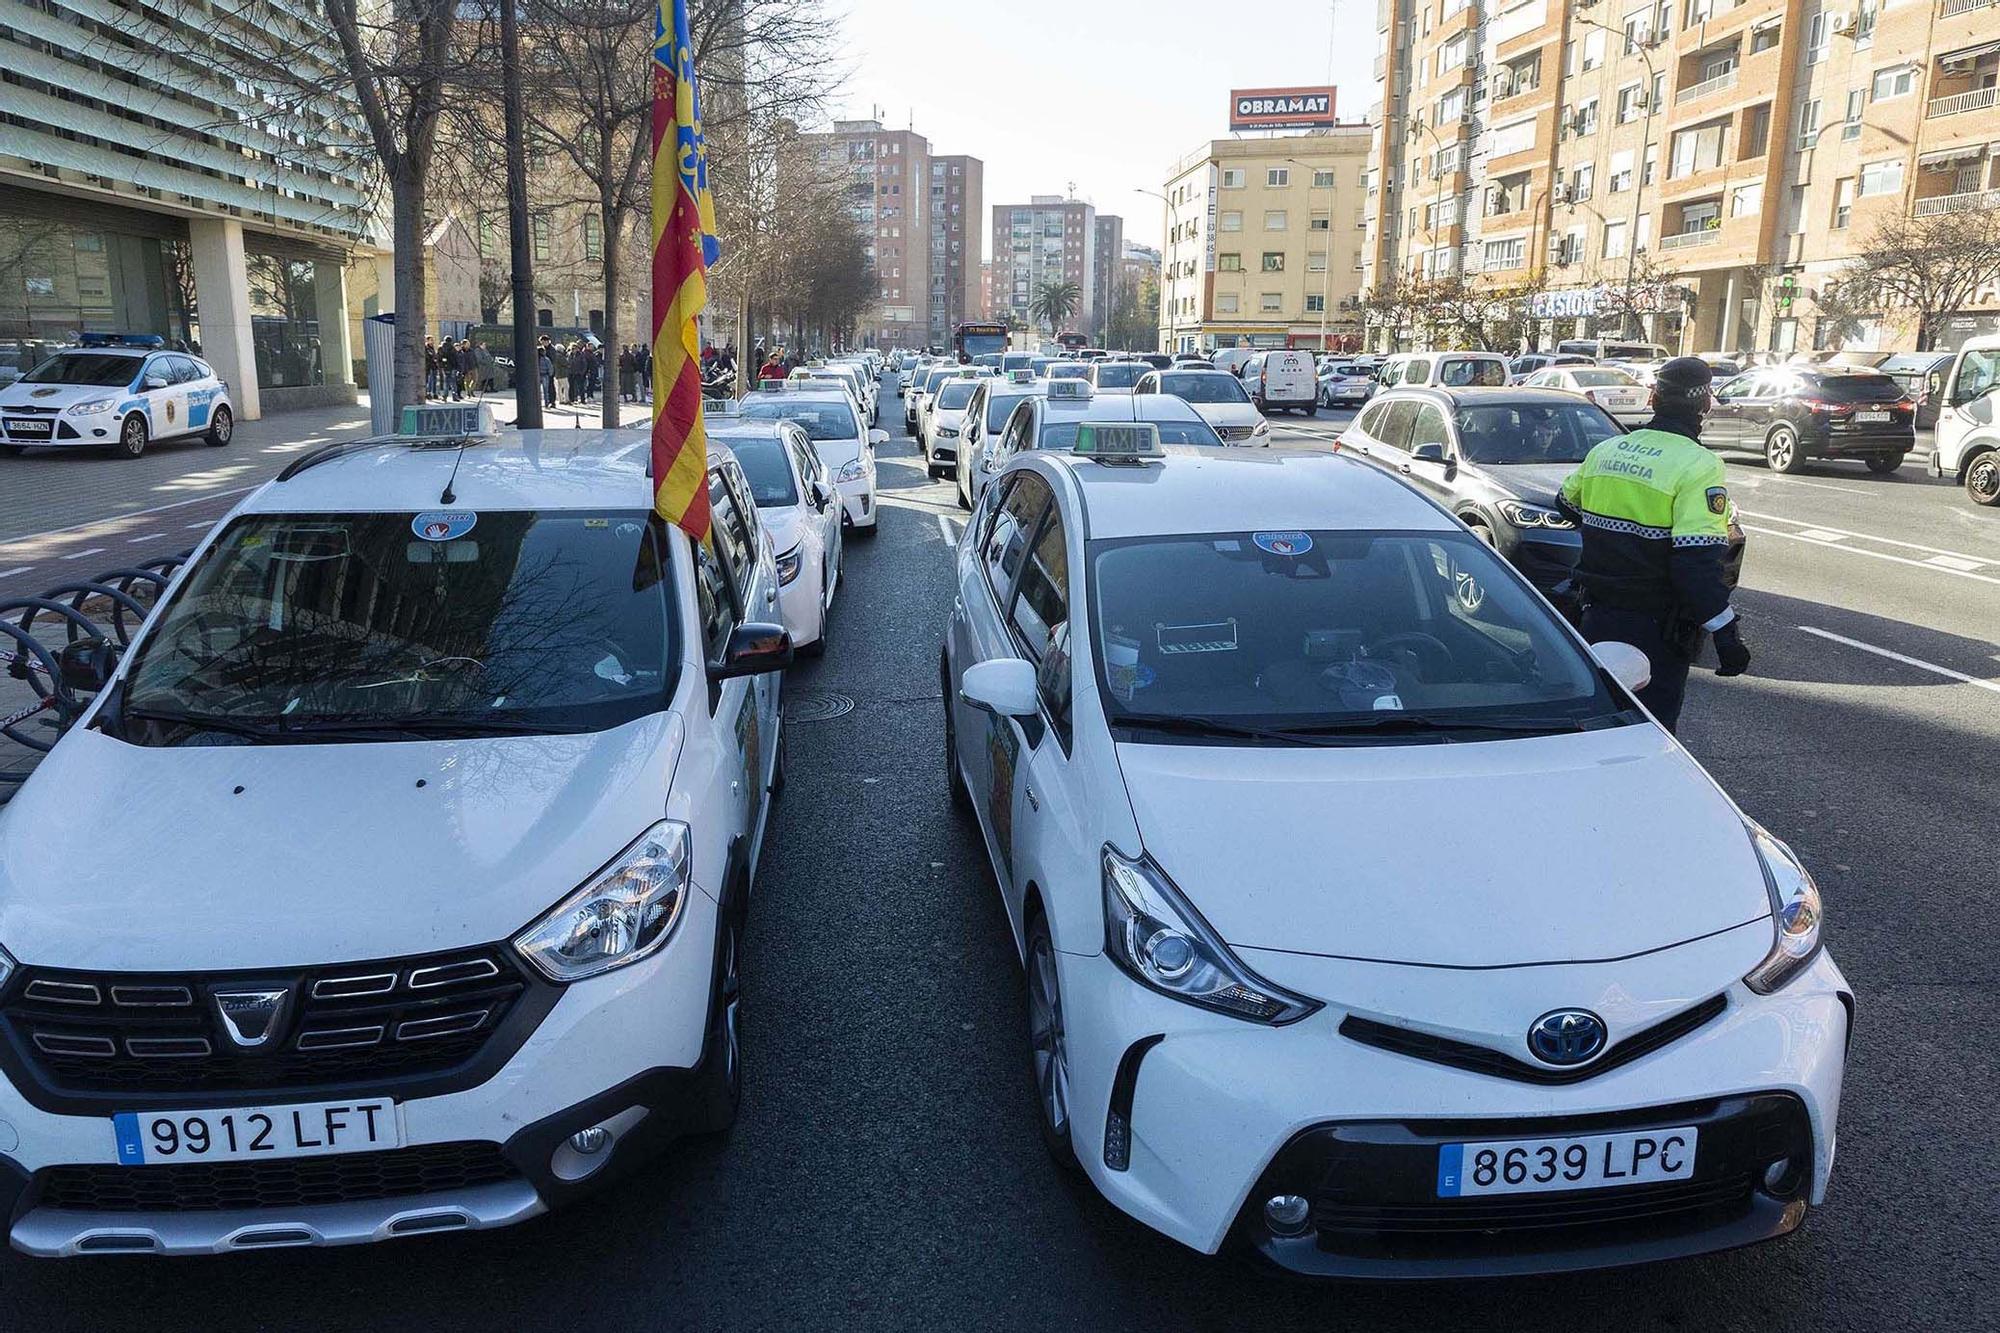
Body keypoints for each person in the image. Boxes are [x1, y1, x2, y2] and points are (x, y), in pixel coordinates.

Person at [1556, 356, 1750, 732]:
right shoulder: (1698, 465)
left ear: (1653, 399)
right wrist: (1727, 635)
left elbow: (1565, 502)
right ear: (1705, 403)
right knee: (1649, 732)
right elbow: (1695, 565)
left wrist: (1612, 536)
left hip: (1593, 615)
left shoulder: (1607, 451)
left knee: (1595, 721)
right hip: (1656, 630)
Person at [538, 342, 556, 408]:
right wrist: (550, 374)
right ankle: (547, 403)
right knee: (546, 390)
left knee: (538, 391)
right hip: (545, 375)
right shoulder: (546, 359)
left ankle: (538, 403)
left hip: (538, 375)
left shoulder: (536, 359)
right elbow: (550, 367)